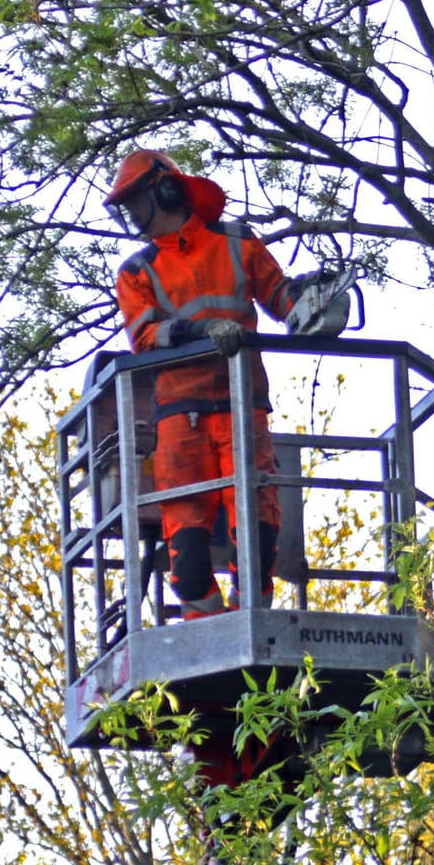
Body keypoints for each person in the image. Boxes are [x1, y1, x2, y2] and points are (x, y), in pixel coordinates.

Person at [105, 149, 301, 619]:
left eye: (135, 200)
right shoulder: (137, 271)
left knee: (256, 517)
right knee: (186, 538)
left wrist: (313, 300)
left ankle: (251, 615)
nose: (130, 213)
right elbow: (146, 336)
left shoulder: (236, 242)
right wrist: (203, 332)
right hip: (179, 411)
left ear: (165, 190)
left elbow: (285, 301)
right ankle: (204, 625)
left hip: (241, 402)